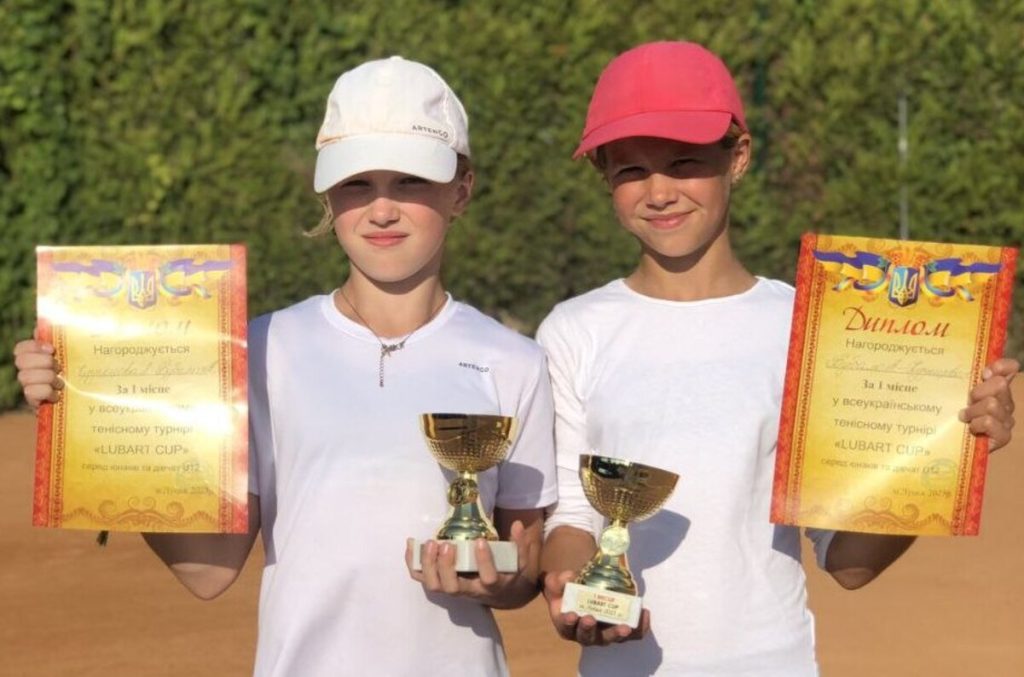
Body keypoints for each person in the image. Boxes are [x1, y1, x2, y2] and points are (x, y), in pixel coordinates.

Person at [13, 56, 557, 677]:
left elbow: (525, 569)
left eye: (409, 181)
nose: (382, 210)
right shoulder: (262, 347)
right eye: (356, 184)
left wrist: (495, 583)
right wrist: (92, 417)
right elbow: (209, 571)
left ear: (461, 191)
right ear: (326, 194)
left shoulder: (515, 361)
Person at [537, 41, 1018, 675]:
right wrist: (572, 584)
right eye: (630, 170)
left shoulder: (809, 328)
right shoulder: (573, 331)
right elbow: (573, 513)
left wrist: (947, 446)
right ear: (605, 176)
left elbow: (848, 562)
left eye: (684, 162)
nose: (658, 192)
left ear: (738, 157)